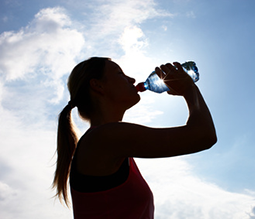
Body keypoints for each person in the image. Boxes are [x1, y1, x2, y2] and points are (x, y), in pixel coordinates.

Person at [52, 57, 217, 219]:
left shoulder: (109, 141)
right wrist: (188, 88)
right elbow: (203, 135)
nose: (131, 79)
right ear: (98, 85)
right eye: (120, 73)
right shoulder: (105, 138)